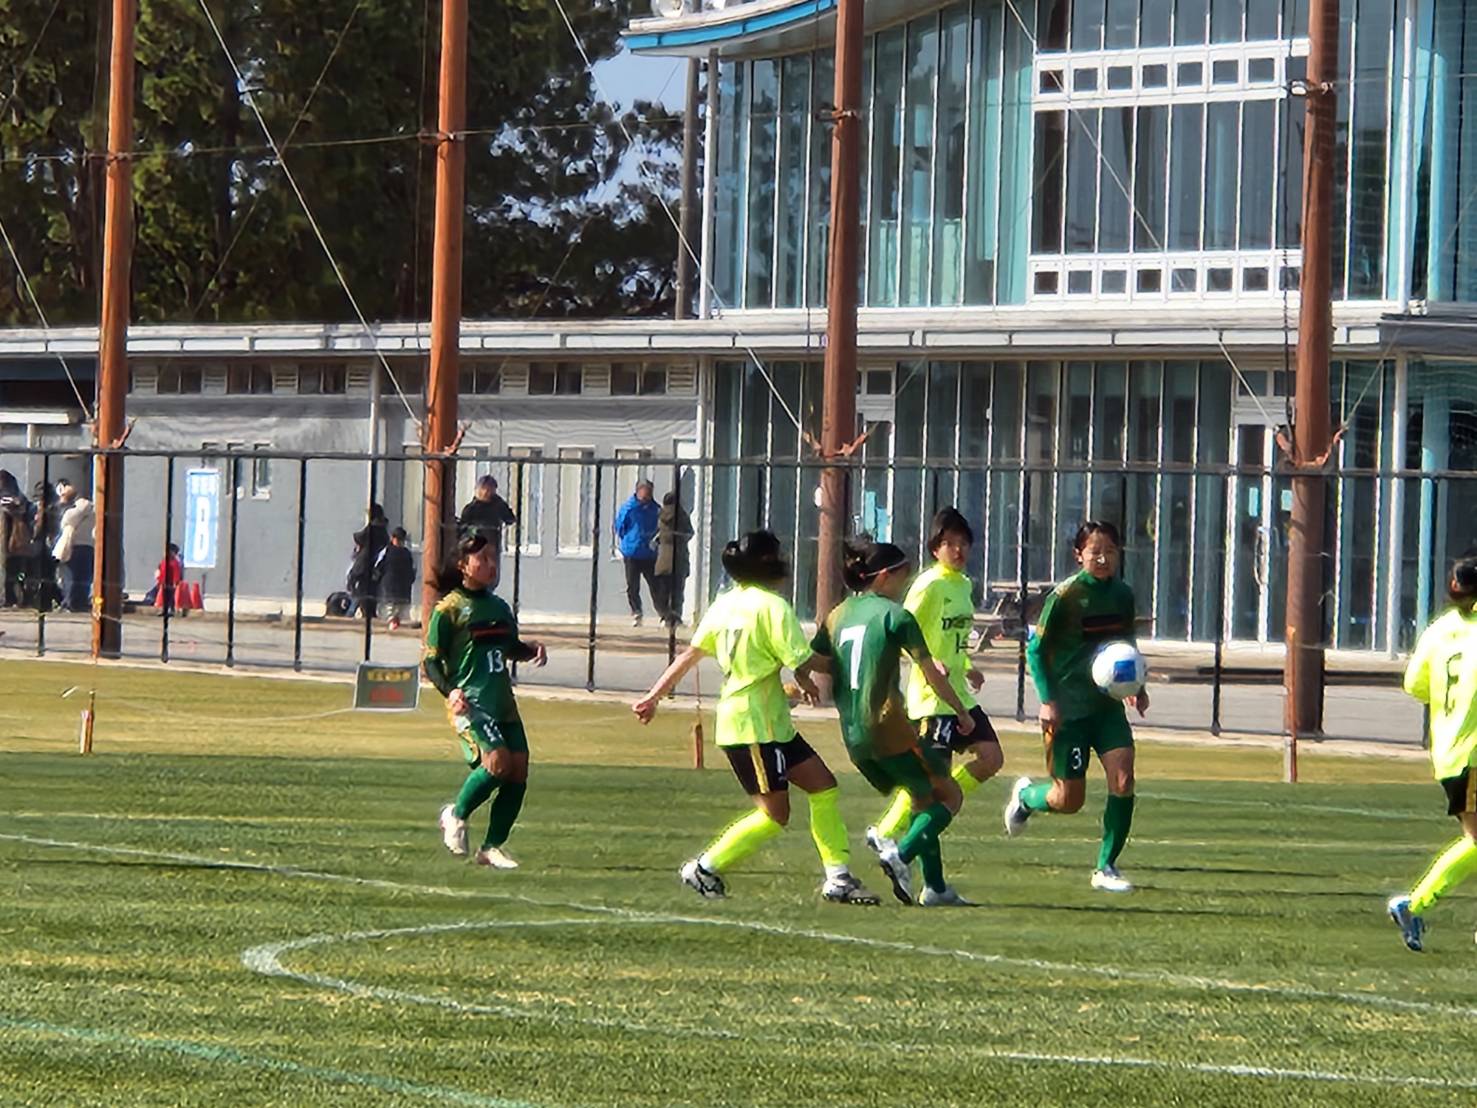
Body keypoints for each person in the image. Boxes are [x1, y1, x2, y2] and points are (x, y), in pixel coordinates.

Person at [632, 530, 879, 905]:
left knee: (823, 785)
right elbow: (803, 658)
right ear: (767, 562)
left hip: (769, 723)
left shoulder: (725, 605)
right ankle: (705, 868)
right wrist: (853, 659)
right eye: (779, 554)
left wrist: (653, 697)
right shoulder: (772, 606)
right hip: (753, 726)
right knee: (774, 814)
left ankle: (838, 877)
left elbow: (690, 655)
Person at [811, 537, 977, 907]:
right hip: (888, 728)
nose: (905, 583)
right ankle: (901, 855)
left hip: (852, 735)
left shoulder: (838, 614)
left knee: (922, 797)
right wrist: (962, 711)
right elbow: (932, 674)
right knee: (949, 795)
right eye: (903, 575)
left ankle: (935, 888)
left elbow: (815, 660)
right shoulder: (895, 616)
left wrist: (803, 681)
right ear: (885, 576)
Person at [1004, 520, 1148, 893]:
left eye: (1110, 551)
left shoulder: (1123, 595)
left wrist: (1137, 685)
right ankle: (1026, 797)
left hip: (1106, 709)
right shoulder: (1065, 596)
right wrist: (1047, 700)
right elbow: (1036, 650)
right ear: (1078, 555)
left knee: (1124, 779)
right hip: (1068, 712)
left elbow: (1126, 643)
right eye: (1095, 552)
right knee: (1068, 800)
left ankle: (1106, 867)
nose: (1103, 558)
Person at [866, 507, 1003, 854]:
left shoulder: (964, 585)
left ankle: (932, 806)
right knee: (927, 781)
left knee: (991, 758)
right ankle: (887, 832)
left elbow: (953, 638)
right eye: (949, 543)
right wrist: (927, 662)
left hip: (959, 696)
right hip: (932, 698)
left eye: (964, 543)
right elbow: (899, 632)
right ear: (935, 548)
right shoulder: (929, 585)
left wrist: (967, 665)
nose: (958, 550)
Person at [427, 533, 548, 870]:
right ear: (463, 565)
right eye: (482, 559)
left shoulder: (499, 608)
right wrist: (451, 691)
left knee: (518, 771)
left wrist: (531, 649)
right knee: (497, 763)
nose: (491, 565)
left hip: (502, 703)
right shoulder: (449, 609)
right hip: (472, 704)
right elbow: (430, 662)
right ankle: (456, 814)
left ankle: (491, 847)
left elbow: (508, 648)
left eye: (493, 557)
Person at [1388, 548, 1477, 952]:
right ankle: (1414, 904)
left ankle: (1416, 905)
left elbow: (1414, 685)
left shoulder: (1440, 630)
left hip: (1448, 751)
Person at [614, 480, 660, 626]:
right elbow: (619, 527)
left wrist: (655, 541)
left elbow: (660, 528)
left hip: (649, 553)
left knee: (655, 585)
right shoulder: (629, 508)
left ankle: (663, 614)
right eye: (645, 494)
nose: (647, 498)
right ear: (638, 492)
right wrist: (628, 541)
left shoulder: (656, 509)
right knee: (632, 586)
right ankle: (636, 612)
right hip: (632, 553)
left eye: (649, 494)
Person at [51, 479, 95, 613]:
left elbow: (65, 521)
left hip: (75, 545)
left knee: (71, 576)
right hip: (88, 544)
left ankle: (70, 602)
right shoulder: (94, 510)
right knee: (84, 576)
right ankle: (80, 601)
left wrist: (64, 502)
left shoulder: (79, 508)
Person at [653, 490, 694, 626]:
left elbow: (657, 534)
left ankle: (665, 615)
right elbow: (690, 533)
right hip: (679, 558)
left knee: (663, 590)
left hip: (663, 559)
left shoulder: (660, 516)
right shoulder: (682, 515)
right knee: (677, 591)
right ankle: (675, 616)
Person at [348, 503, 389, 619]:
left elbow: (358, 537)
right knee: (370, 595)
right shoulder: (383, 530)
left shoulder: (373, 529)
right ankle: (368, 613)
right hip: (374, 568)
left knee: (359, 594)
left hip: (364, 566)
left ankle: (352, 613)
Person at [0, 470, 33, 608]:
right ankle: (17, 597)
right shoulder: (21, 499)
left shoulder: (9, 500)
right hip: (17, 542)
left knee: (13, 572)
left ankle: (12, 597)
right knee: (16, 572)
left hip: (11, 540)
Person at [457, 475, 518, 552]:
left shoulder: (498, 506)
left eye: (490, 490)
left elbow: (510, 519)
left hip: (492, 545)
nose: (486, 492)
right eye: (483, 489)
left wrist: (500, 502)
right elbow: (463, 530)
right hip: (475, 547)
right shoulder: (471, 509)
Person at [377, 527, 416, 631]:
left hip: (402, 587)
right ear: (393, 538)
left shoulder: (406, 553)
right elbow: (378, 567)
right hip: (390, 586)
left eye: (401, 540)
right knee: (391, 608)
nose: (400, 542)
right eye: (398, 539)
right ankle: (393, 623)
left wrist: (410, 579)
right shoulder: (387, 551)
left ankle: (395, 623)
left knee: (400, 609)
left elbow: (411, 569)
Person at [144, 543, 184, 611]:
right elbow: (160, 571)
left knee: (161, 597)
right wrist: (158, 576)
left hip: (168, 586)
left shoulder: (174, 563)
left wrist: (175, 584)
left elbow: (176, 575)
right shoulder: (164, 561)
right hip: (161, 584)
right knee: (150, 595)